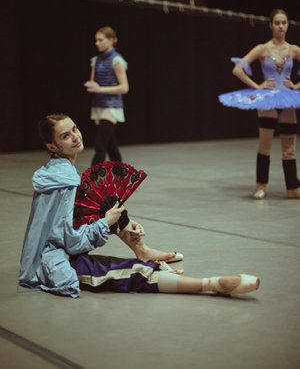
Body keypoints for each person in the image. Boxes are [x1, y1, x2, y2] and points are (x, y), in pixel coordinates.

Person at [19, 114, 259, 298]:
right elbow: (68, 239)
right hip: (50, 264)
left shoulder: (59, 171)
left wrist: (119, 222)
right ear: (52, 146)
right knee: (132, 272)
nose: (75, 136)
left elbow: (76, 218)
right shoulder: (65, 181)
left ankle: (142, 249)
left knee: (106, 203)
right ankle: (211, 284)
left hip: (53, 250)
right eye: (65, 136)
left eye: (74, 129)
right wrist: (106, 222)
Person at [219, 9, 300, 199]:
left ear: (288, 25)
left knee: (289, 146)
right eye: (277, 23)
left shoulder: (293, 49)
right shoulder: (262, 49)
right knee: (265, 144)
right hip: (268, 101)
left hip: (287, 99)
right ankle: (261, 185)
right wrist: (258, 86)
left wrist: (296, 86)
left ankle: (293, 187)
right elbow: (237, 69)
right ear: (271, 25)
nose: (281, 26)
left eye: (284, 23)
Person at [84, 26, 128, 166]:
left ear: (111, 40)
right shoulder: (96, 60)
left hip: (111, 107)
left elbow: (124, 87)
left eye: (100, 40)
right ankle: (122, 177)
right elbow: (94, 82)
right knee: (111, 146)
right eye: (96, 40)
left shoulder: (117, 61)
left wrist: (99, 88)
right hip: (99, 105)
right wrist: (91, 86)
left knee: (100, 145)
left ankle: (91, 181)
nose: (97, 43)